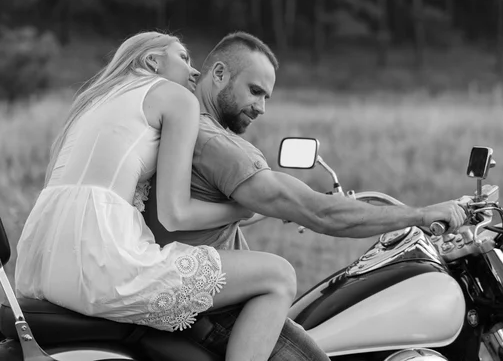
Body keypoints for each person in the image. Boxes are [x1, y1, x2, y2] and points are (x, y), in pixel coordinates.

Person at [143, 31, 467, 359]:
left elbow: (218, 209)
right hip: (217, 311)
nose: (262, 108)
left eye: (266, 97)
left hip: (197, 296)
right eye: (255, 91)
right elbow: (321, 213)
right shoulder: (216, 144)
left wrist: (275, 206)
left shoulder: (177, 129)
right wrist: (421, 215)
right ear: (220, 74)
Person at [14, 31, 302, 361]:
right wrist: (241, 209)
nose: (195, 72)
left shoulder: (95, 101)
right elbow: (175, 214)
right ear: (153, 61)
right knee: (279, 275)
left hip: (43, 261)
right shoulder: (176, 98)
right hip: (102, 262)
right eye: (183, 58)